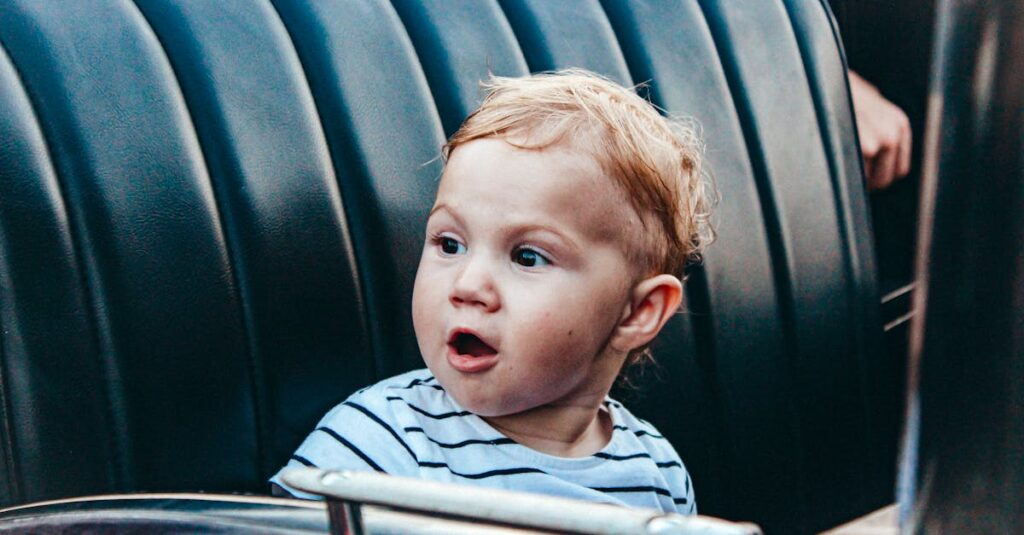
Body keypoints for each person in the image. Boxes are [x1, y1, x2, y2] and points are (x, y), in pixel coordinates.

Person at [270, 69, 713, 515]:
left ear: (637, 312)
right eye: (450, 244)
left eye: (527, 257)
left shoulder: (656, 475)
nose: (468, 286)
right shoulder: (380, 446)